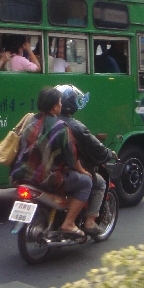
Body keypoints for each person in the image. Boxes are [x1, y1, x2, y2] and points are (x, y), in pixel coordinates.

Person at [11, 87, 92, 236]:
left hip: (20, 174)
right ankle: (68, 223)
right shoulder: (61, 127)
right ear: (55, 107)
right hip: (45, 178)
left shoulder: (29, 121)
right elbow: (71, 159)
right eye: (60, 103)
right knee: (86, 182)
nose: (61, 106)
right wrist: (82, 171)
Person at [55, 85, 116, 235]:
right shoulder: (73, 126)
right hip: (60, 173)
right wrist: (109, 154)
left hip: (41, 170)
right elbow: (87, 150)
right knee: (97, 182)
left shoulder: (43, 121)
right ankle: (87, 222)